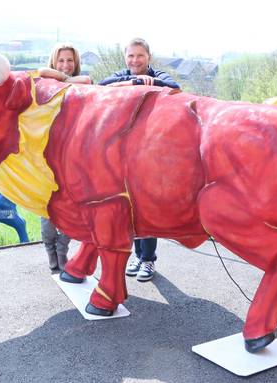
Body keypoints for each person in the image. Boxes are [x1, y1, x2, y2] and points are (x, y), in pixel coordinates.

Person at [99, 37, 181, 282]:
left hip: (150, 151)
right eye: (131, 56)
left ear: (148, 57)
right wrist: (135, 81)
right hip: (124, 152)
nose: (135, 60)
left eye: (140, 56)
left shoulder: (159, 75)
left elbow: (174, 87)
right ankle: (138, 255)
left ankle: (149, 260)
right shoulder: (121, 75)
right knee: (130, 209)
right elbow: (102, 85)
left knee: (146, 207)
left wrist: (150, 81)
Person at [38, 43, 90, 273]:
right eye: (61, 61)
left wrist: (67, 80)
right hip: (45, 155)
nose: (65, 65)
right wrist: (65, 79)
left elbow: (87, 80)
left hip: (74, 157)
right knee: (46, 207)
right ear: (54, 61)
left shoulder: (84, 84)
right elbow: (42, 72)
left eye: (70, 61)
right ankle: (50, 249)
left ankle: (62, 249)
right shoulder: (45, 83)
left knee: (70, 208)